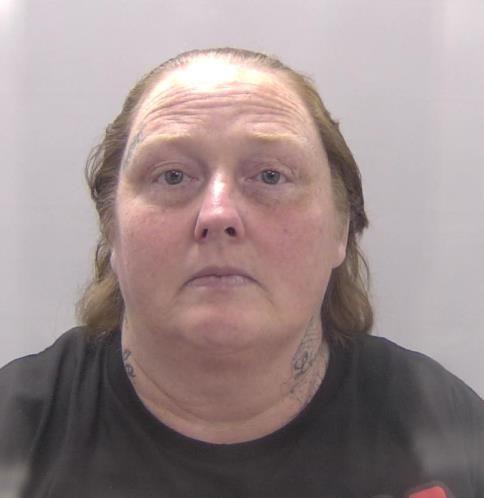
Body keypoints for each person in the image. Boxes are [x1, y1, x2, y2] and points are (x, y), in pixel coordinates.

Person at [0, 47, 482, 498]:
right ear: (112, 229)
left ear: (341, 228)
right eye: (172, 176)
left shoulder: (448, 429)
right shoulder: (16, 430)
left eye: (271, 176)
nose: (218, 213)